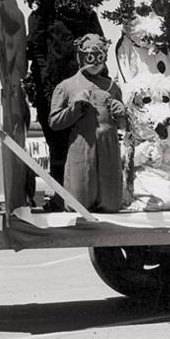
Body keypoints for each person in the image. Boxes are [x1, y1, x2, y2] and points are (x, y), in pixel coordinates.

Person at [24, 0, 106, 191]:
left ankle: (85, 194)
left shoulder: (88, 16)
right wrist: (46, 90)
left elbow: (99, 49)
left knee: (87, 142)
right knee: (58, 145)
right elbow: (37, 52)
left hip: (86, 89)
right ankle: (61, 195)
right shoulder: (42, 16)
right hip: (53, 89)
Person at [48, 34, 126, 213]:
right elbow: (54, 122)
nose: (95, 63)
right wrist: (74, 108)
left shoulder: (112, 87)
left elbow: (123, 126)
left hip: (109, 150)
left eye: (100, 57)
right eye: (90, 57)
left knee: (111, 203)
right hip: (83, 147)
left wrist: (121, 114)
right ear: (81, 57)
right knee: (79, 201)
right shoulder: (67, 86)